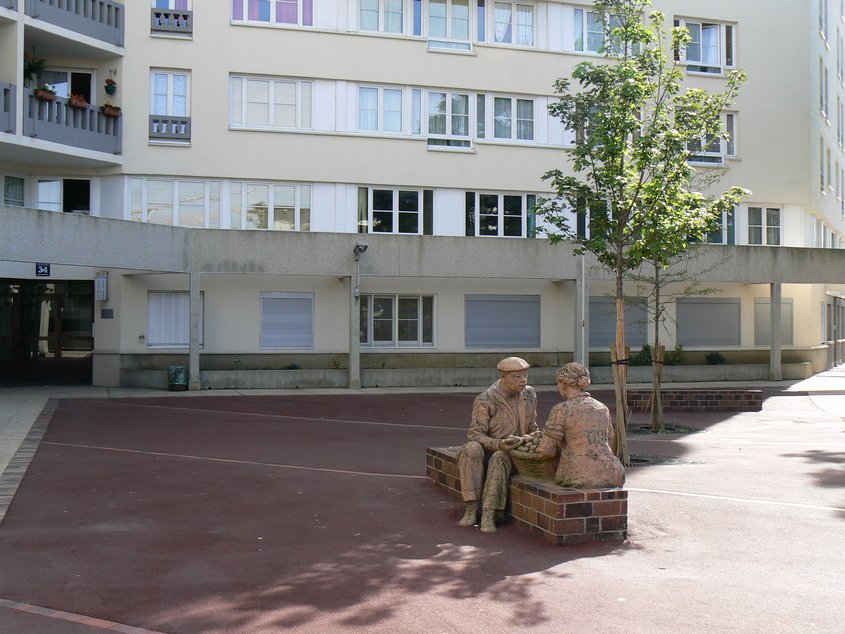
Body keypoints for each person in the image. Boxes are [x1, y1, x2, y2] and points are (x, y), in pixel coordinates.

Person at [457, 357, 538, 533]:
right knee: (471, 449)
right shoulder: (485, 400)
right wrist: (498, 443)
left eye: (525, 376)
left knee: (499, 457)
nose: (523, 380)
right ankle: (471, 506)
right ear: (502, 376)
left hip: (512, 453)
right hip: (490, 448)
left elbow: (533, 428)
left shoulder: (529, 395)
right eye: (516, 377)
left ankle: (488, 512)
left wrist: (527, 440)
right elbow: (474, 434)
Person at [539, 362, 625, 489]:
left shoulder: (561, 409)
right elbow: (609, 441)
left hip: (576, 475)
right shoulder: (602, 408)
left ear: (563, 384)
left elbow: (546, 450)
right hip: (613, 472)